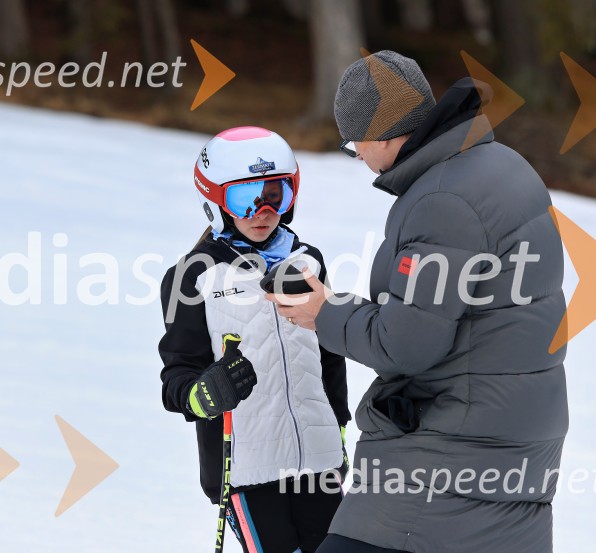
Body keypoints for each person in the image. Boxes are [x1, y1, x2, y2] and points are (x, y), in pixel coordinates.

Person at [268, 52, 569, 553]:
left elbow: (406, 345)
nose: (359, 157)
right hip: (513, 438)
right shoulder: (499, 165)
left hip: (448, 455)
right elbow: (449, 310)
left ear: (382, 135)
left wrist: (325, 312)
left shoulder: (441, 201)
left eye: (354, 145)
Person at [158, 126, 352, 553]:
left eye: (275, 195)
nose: (263, 211)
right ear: (215, 201)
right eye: (247, 198)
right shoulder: (192, 278)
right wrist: (202, 394)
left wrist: (338, 422)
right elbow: (176, 378)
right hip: (247, 470)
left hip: (319, 460)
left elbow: (328, 352)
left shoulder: (307, 261)